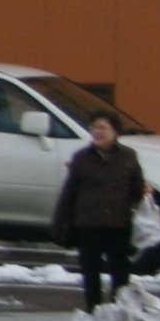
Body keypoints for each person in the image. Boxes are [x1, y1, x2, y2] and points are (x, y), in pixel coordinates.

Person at [52, 112, 148, 310]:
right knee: (90, 272)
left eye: (103, 128)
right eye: (94, 127)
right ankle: (93, 311)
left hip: (118, 224)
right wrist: (59, 225)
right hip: (88, 224)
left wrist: (143, 190)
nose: (97, 132)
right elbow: (69, 193)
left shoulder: (128, 156)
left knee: (120, 272)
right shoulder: (81, 158)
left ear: (115, 132)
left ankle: (118, 310)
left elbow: (136, 189)